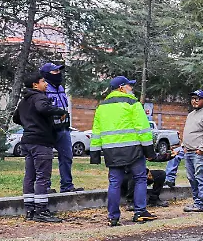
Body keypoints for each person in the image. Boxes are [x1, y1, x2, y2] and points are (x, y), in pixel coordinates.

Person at [90, 76, 157, 226]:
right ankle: (140, 212)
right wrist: (149, 151)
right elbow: (143, 129)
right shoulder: (133, 103)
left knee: (114, 182)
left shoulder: (102, 107)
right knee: (140, 178)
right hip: (133, 150)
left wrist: (94, 154)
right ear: (121, 88)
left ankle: (113, 217)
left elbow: (96, 131)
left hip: (111, 151)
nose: (131, 89)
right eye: (129, 86)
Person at [12, 71, 67, 223]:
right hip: (40, 142)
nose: (46, 84)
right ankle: (41, 210)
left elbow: (16, 117)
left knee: (30, 176)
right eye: (43, 81)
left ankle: (29, 209)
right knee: (43, 176)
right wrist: (60, 112)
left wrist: (29, 123)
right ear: (35, 84)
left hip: (28, 141)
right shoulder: (39, 97)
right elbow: (43, 108)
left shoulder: (24, 100)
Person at [39, 62, 78, 193]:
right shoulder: (43, 89)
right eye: (55, 71)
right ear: (46, 74)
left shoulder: (61, 88)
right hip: (49, 130)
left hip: (63, 128)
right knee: (46, 158)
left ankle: (67, 185)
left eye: (59, 71)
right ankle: (46, 186)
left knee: (67, 156)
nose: (58, 74)